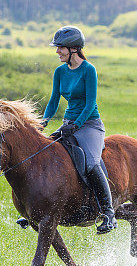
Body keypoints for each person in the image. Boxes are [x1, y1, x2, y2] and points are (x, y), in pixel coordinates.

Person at [41, 25, 117, 233]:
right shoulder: (60, 72)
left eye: (60, 48)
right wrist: (44, 121)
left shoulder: (88, 70)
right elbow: (54, 99)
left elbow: (90, 102)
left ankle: (109, 213)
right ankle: (37, 208)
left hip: (89, 125)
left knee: (91, 163)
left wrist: (76, 125)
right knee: (47, 155)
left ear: (73, 49)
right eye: (57, 48)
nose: (57, 52)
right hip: (69, 125)